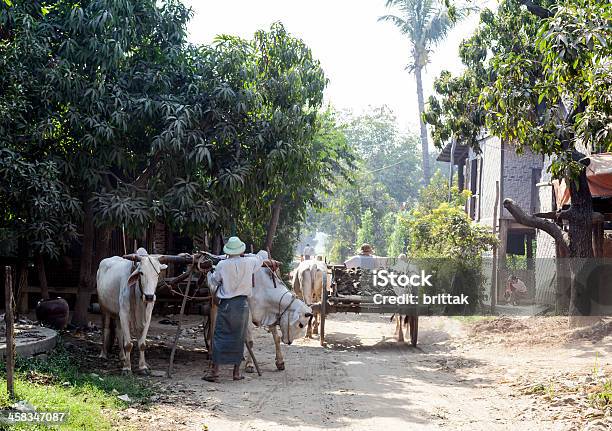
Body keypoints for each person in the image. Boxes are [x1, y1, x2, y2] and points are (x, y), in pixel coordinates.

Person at [203, 236, 263, 382]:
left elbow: (214, 282)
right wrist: (247, 255)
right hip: (242, 305)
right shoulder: (250, 262)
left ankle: (215, 371)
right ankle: (236, 373)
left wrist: (208, 274)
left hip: (226, 305)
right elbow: (260, 258)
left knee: (219, 337)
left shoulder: (222, 264)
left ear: (228, 251)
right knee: (238, 338)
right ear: (241, 251)